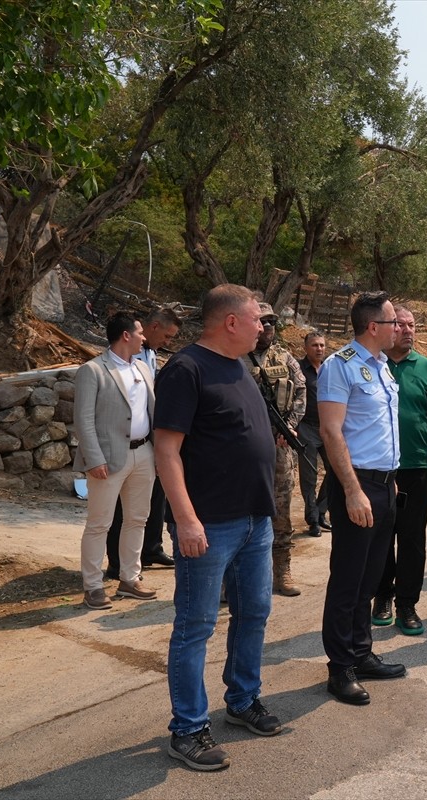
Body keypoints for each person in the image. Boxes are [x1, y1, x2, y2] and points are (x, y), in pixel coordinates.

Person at [155, 284, 283, 771]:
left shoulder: (241, 367)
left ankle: (243, 699)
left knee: (254, 613)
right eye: (256, 319)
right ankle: (187, 730)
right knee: (196, 627)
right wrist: (186, 520)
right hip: (208, 525)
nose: (262, 328)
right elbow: (166, 451)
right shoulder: (185, 370)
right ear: (230, 322)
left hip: (255, 520)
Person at [317, 291, 407, 705]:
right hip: (357, 485)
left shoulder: (384, 368)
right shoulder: (341, 367)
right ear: (374, 327)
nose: (401, 329)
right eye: (394, 323)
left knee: (371, 576)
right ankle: (340, 668)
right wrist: (352, 491)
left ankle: (361, 651)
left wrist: (389, 484)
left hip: (385, 484)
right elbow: (332, 432)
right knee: (348, 578)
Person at [74, 311, 158, 610]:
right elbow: (83, 420)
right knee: (99, 524)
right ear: (126, 335)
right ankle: (93, 586)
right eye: (139, 332)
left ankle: (129, 578)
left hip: (144, 453)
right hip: (107, 458)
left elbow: (151, 411)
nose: (144, 337)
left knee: (138, 519)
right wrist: (93, 458)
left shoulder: (144, 368)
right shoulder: (93, 370)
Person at [371, 307, 427, 636]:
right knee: (381, 535)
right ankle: (383, 596)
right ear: (387, 327)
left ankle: (407, 603)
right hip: (379, 467)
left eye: (412, 325)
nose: (408, 330)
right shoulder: (372, 365)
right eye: (400, 324)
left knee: (412, 538)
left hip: (416, 465)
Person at [104, 307, 181, 578]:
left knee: (154, 497)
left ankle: (151, 548)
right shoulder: (122, 354)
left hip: (150, 436)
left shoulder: (150, 353)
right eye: (168, 336)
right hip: (124, 441)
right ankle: (116, 562)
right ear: (154, 326)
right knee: (120, 508)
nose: (169, 342)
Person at [249, 303, 307, 596]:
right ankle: (233, 577)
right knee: (240, 509)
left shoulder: (284, 357)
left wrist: (291, 425)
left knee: (281, 507)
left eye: (273, 321)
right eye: (263, 321)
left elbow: (300, 390)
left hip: (280, 446)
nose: (269, 326)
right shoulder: (234, 356)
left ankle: (281, 570)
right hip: (244, 448)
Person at [297, 330, 330, 537]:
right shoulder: (299, 369)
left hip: (328, 427)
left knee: (335, 469)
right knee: (309, 476)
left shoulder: (330, 369)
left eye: (322, 345)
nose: (319, 349)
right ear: (306, 348)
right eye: (315, 345)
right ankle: (313, 521)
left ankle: (321, 512)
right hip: (306, 427)